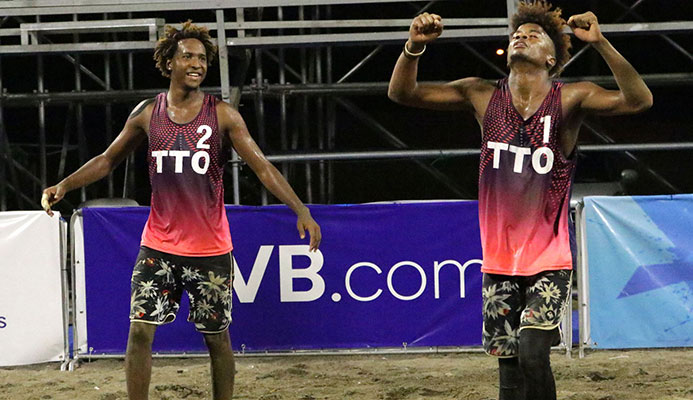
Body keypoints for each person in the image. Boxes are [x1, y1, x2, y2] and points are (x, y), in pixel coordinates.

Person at [41, 21, 321, 400]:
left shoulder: (222, 115)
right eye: (188, 55)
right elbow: (107, 160)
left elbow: (263, 167)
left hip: (210, 251)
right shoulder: (147, 113)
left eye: (203, 58)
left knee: (216, 338)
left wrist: (300, 209)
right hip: (157, 246)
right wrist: (64, 185)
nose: (197, 63)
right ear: (169, 62)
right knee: (140, 330)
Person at [388, 2, 651, 400]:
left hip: (549, 258)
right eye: (516, 33)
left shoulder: (570, 98)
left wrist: (600, 44)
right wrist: (413, 47)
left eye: (534, 34)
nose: (521, 36)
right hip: (498, 259)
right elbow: (402, 93)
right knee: (508, 367)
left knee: (532, 353)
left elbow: (638, 100)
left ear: (552, 58)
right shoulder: (480, 93)